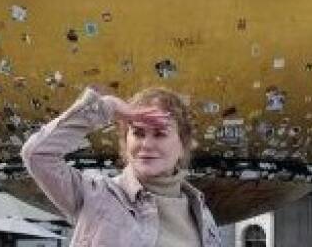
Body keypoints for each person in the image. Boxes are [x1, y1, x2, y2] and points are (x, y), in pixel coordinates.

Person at [21, 86, 221, 246]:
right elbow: (37, 155)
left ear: (183, 145)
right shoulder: (96, 196)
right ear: (126, 141)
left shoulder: (201, 214)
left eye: (160, 134)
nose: (147, 145)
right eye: (138, 133)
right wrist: (106, 107)